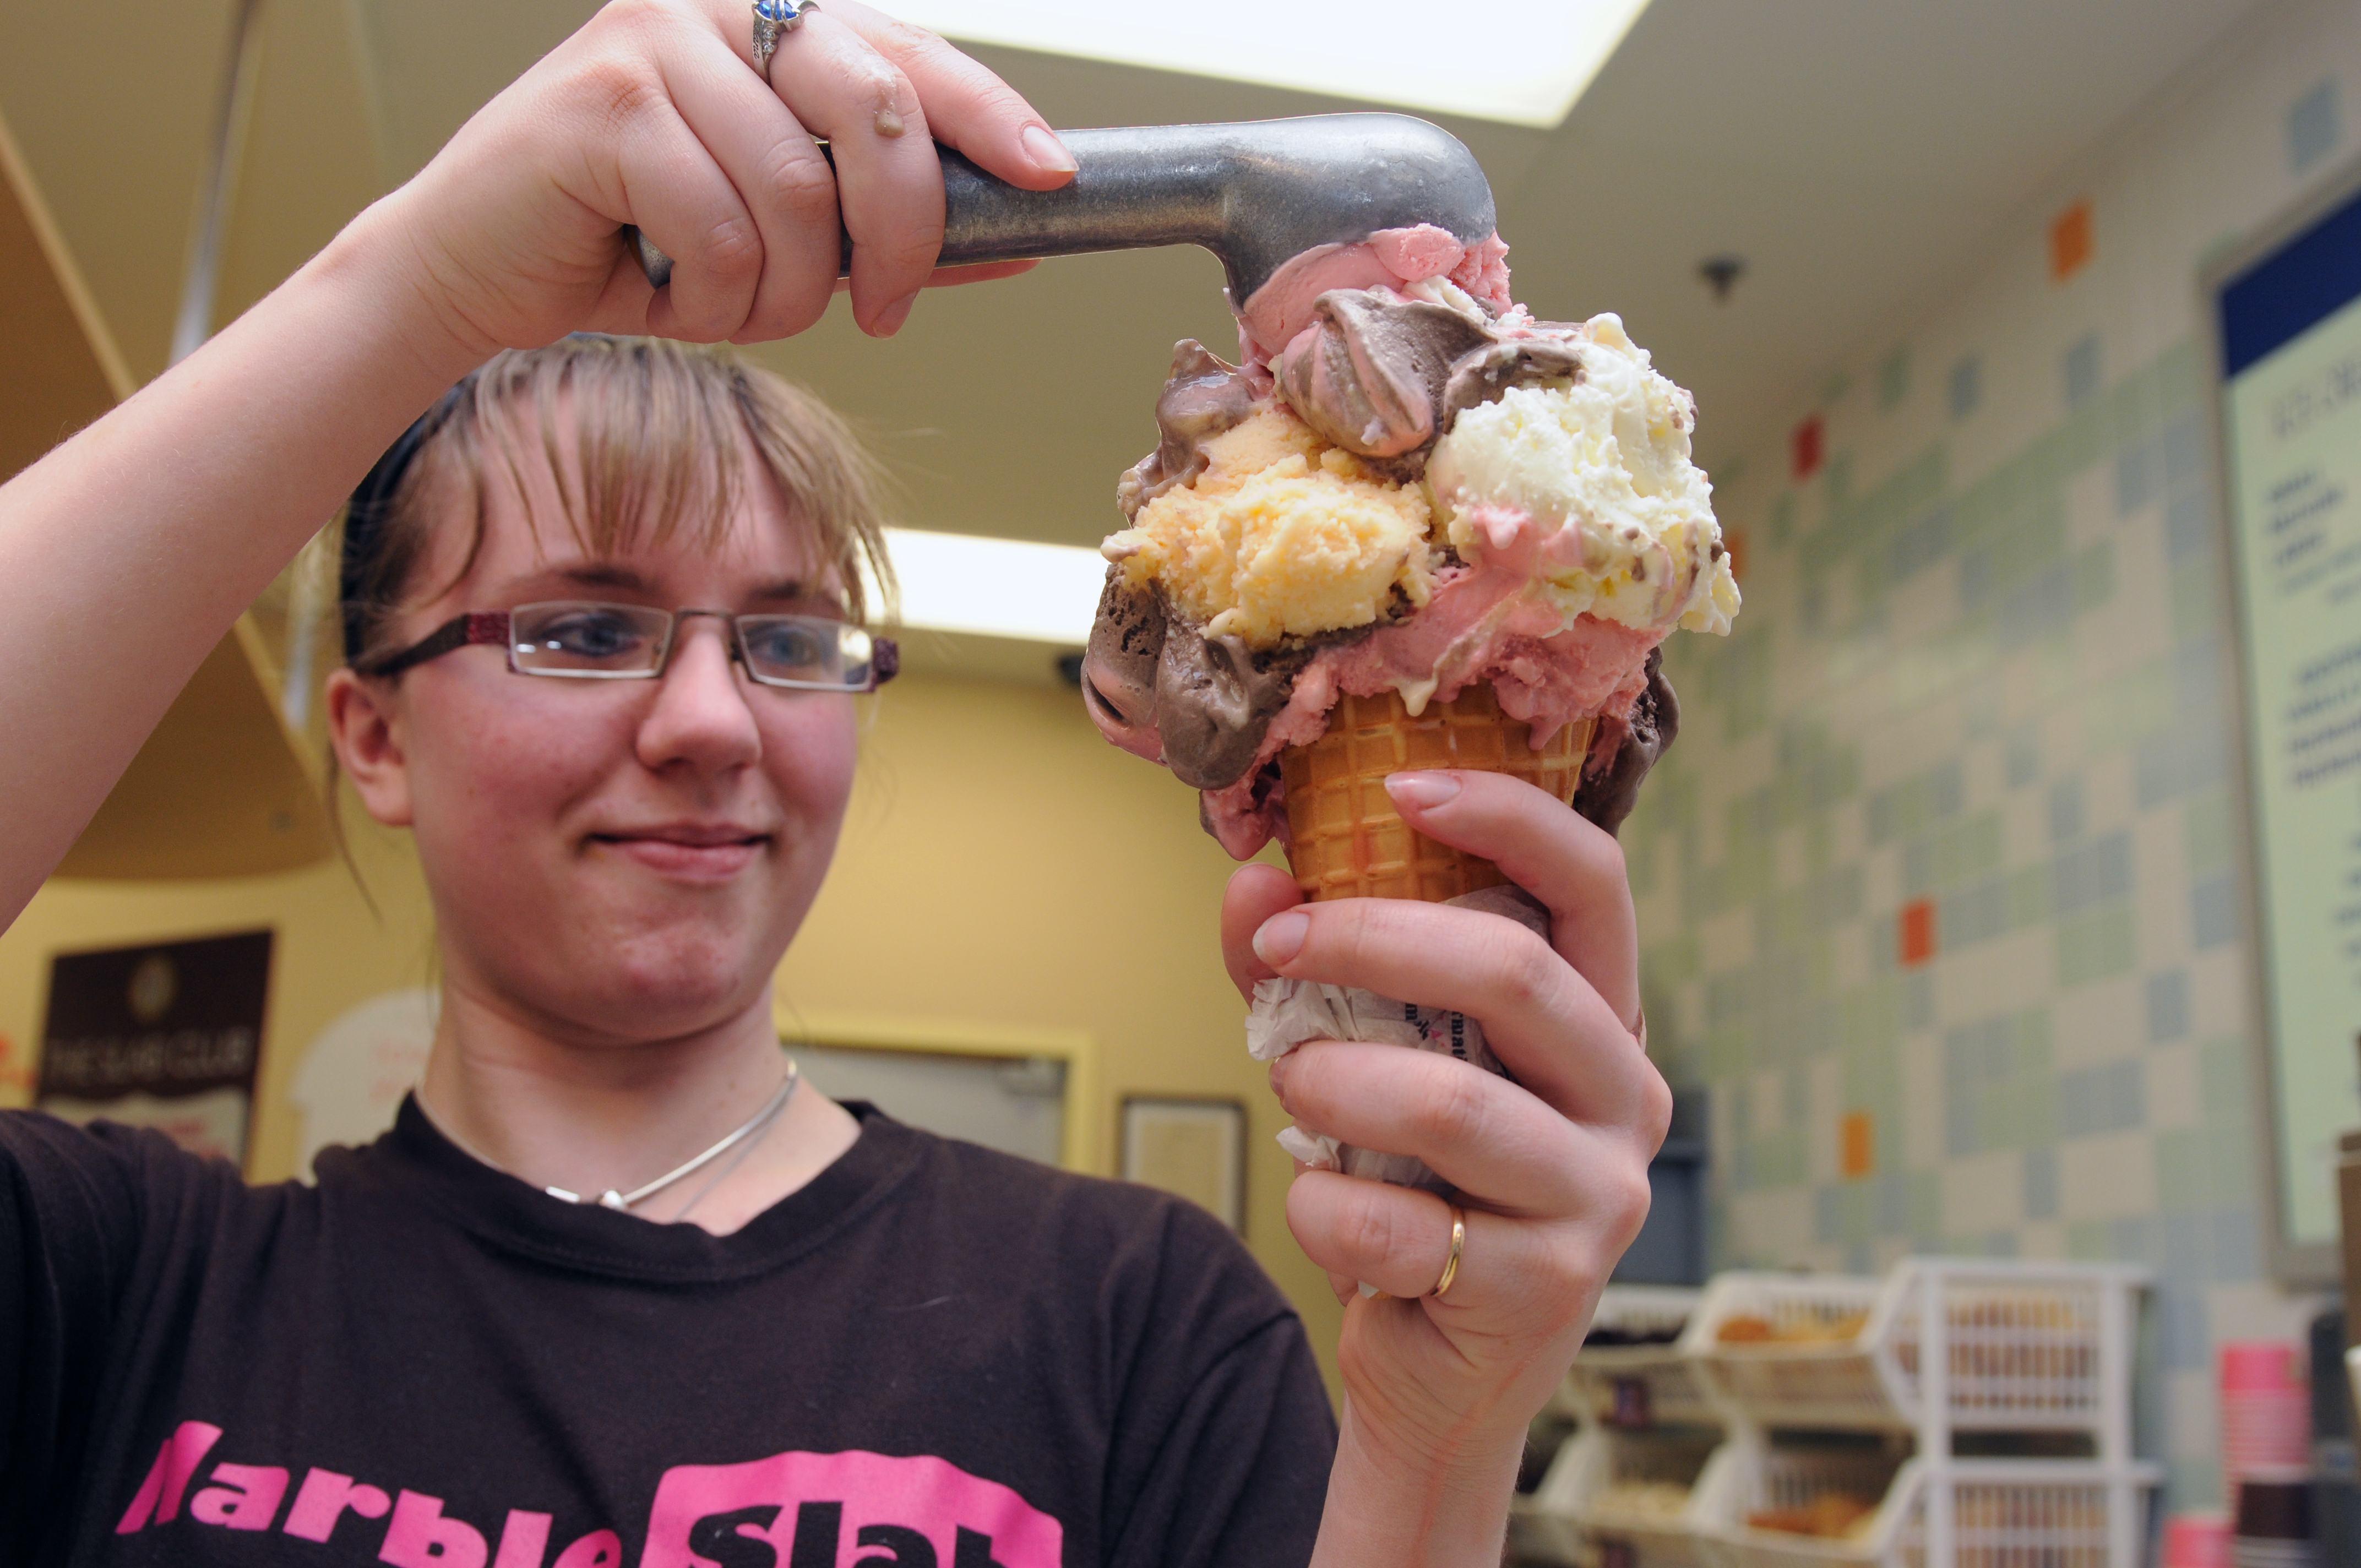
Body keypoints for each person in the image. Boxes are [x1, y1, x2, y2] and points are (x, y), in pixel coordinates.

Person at [0, 2, 1670, 1564]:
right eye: (588, 628)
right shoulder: (122, 1293)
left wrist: (1441, 1448)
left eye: (791, 640)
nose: (716, 720)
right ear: (374, 737)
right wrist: (407, 283)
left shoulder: (1136, 1325)